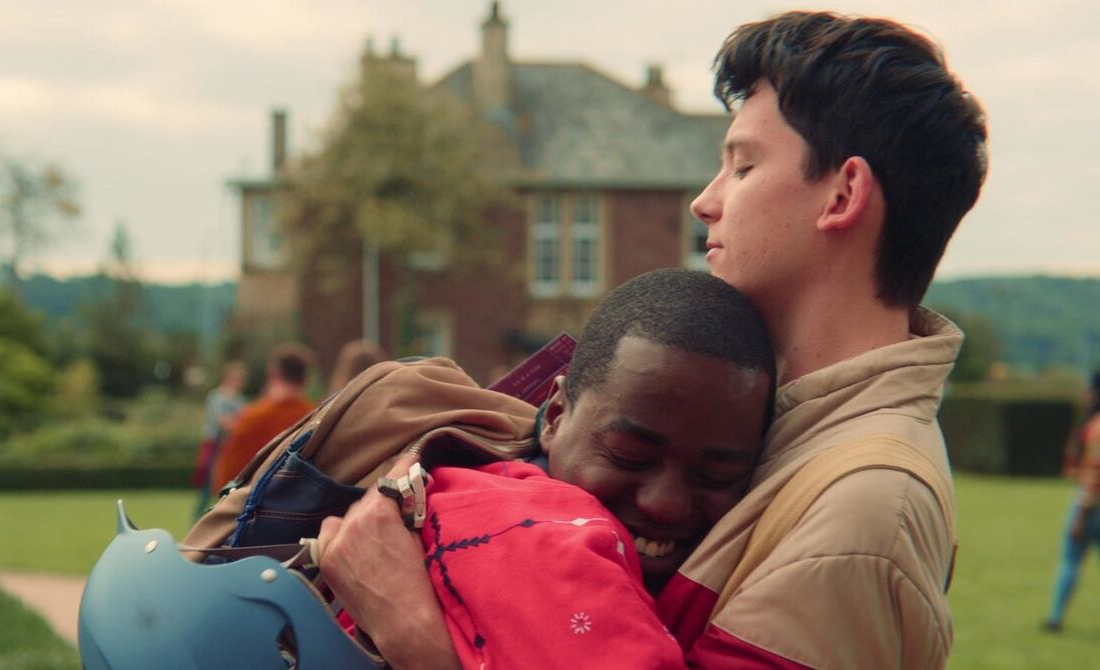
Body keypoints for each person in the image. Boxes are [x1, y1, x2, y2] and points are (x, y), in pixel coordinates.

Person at [318, 10, 987, 669]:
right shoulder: (794, 428)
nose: (704, 202)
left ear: (842, 196)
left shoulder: (866, 506)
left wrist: (411, 630)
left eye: (743, 166)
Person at [367, 269, 776, 668]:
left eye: (717, 476)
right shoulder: (540, 534)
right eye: (628, 455)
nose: (664, 504)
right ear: (555, 417)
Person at [209, 344, 315, 496]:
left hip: (254, 501)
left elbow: (228, 477)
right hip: (299, 500)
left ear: (272, 373)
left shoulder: (252, 417)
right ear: (306, 378)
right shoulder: (314, 418)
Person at [1045, 370, 1100, 632]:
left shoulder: (1095, 428)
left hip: (1090, 506)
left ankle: (1055, 618)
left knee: (1070, 561)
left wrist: (1081, 514)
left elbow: (1094, 475)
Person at [191, 361, 247, 517]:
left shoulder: (239, 400)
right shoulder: (216, 397)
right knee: (208, 486)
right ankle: (198, 520)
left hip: (229, 446)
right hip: (215, 445)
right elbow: (223, 422)